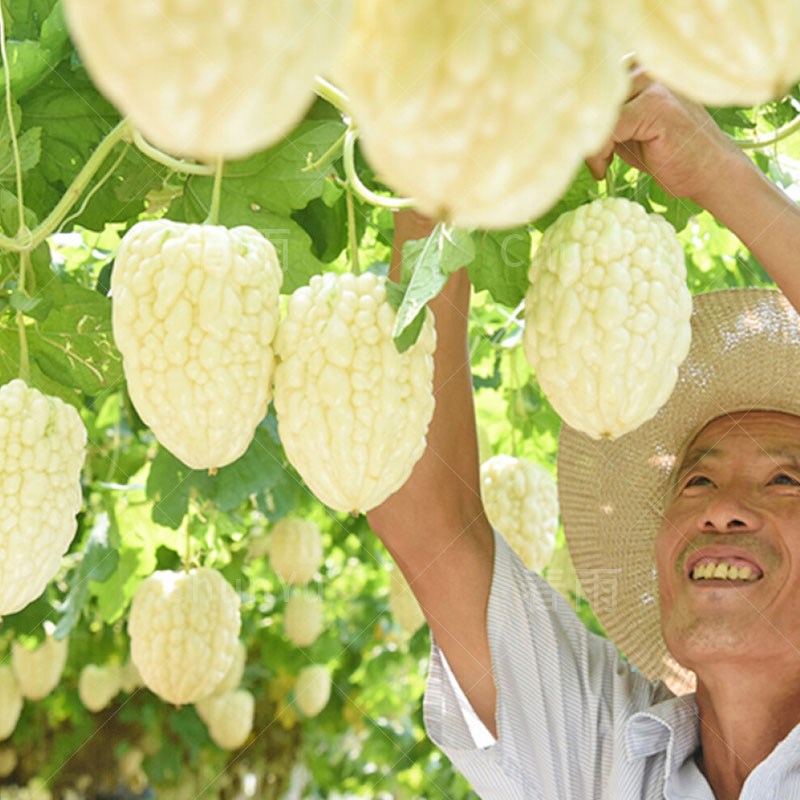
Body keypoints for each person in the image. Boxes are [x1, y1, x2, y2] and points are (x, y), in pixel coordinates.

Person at [366, 71, 800, 800]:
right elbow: (422, 507)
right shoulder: (605, 750)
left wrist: (718, 168)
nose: (718, 508)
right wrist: (437, 167)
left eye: (787, 479)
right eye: (696, 479)